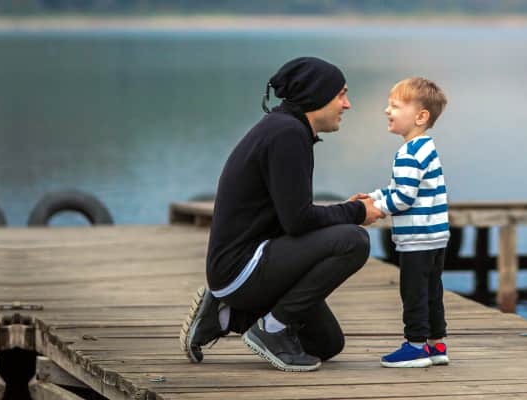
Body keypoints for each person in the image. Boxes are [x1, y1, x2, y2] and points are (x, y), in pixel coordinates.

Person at [180, 56, 384, 372]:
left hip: (245, 265)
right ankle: (271, 329)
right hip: (240, 268)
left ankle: (223, 315)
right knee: (353, 240)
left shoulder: (286, 128)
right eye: (341, 95)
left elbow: (291, 215)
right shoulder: (287, 135)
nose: (348, 104)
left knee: (327, 344)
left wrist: (345, 211)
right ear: (317, 97)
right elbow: (298, 221)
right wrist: (355, 212)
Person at [363, 77, 451, 368]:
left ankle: (415, 346)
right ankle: (436, 344)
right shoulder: (426, 148)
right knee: (432, 291)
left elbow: (403, 198)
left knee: (413, 293)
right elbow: (406, 187)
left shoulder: (408, 153)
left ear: (420, 116)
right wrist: (375, 195)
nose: (387, 111)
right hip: (436, 237)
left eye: (395, 106)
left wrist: (375, 209)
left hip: (417, 239)